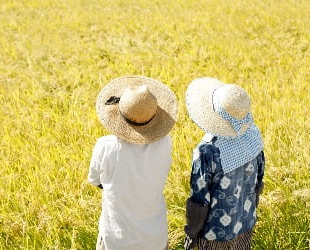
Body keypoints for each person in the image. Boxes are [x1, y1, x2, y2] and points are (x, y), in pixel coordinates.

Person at [88, 76, 178, 250]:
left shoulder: (106, 146)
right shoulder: (165, 142)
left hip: (116, 239)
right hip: (154, 238)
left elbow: (94, 179)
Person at [183, 78, 265, 250]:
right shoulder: (253, 136)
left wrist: (191, 233)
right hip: (245, 223)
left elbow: (199, 199)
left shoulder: (208, 151)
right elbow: (259, 181)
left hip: (215, 233)